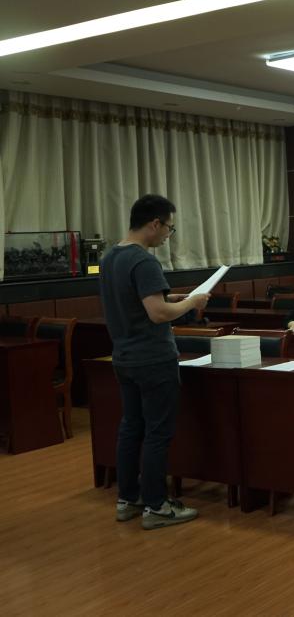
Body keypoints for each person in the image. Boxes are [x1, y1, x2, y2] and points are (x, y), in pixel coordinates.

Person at [99, 194, 210, 529]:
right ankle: (157, 505)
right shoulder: (144, 261)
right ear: (154, 223)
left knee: (131, 427)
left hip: (124, 357)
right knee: (158, 432)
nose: (168, 236)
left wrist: (172, 298)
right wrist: (191, 302)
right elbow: (159, 313)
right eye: (169, 229)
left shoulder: (110, 257)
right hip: (152, 358)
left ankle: (128, 498)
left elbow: (137, 302)